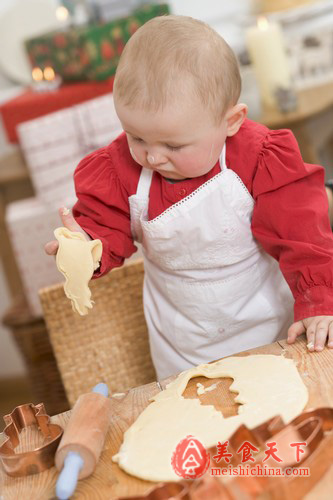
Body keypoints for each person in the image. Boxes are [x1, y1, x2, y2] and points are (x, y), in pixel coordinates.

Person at [45, 15, 333, 380]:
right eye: (136, 137)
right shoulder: (119, 170)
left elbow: (303, 235)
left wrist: (319, 301)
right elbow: (106, 227)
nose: (152, 156)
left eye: (174, 145)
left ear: (231, 122)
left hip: (271, 326)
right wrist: (85, 246)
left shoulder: (257, 157)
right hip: (182, 343)